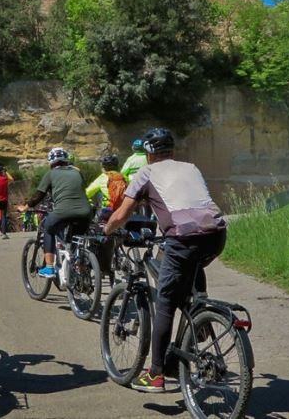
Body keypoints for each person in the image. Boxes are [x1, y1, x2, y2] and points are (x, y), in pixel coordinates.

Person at [103, 127, 227, 393]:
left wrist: (106, 230)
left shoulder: (146, 172)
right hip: (216, 235)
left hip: (183, 238)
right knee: (191, 268)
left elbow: (122, 213)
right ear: (171, 149)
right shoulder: (191, 167)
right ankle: (199, 316)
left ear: (149, 153)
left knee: (166, 303)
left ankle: (156, 374)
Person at [16, 147, 92, 278]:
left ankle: (49, 267)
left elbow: (39, 195)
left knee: (48, 228)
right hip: (85, 212)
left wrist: (26, 207)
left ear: (51, 162)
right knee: (76, 239)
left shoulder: (50, 174)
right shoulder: (77, 172)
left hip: (63, 211)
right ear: (66, 160)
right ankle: (80, 267)